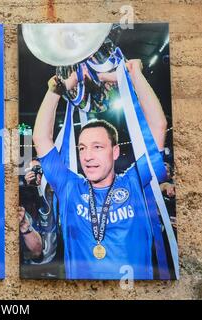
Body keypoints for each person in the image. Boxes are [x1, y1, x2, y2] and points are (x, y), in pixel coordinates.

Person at [32, 59, 168, 279]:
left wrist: (133, 74)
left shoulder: (135, 182)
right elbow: (41, 137)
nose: (87, 156)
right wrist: (65, 84)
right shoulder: (70, 187)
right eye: (83, 148)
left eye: (97, 147)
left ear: (114, 152)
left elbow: (158, 127)